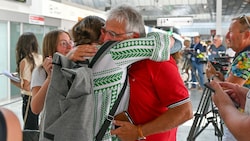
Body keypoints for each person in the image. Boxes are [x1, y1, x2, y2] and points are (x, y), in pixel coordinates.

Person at [98, 5, 193, 141]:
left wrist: (139, 131)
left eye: (113, 34)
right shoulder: (115, 61)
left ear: (134, 37)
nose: (105, 39)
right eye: (104, 32)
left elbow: (185, 111)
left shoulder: (157, 62)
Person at [206, 15, 250, 141]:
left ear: (246, 35)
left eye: (230, 31)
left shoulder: (245, 57)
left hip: (240, 123)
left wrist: (213, 76)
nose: (226, 36)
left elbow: (225, 92)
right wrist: (222, 77)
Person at [30, 29, 73, 115]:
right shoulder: (41, 71)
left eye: (70, 42)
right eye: (63, 43)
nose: (69, 47)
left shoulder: (75, 69)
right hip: (51, 125)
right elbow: (36, 108)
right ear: (52, 48)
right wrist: (50, 77)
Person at [10, 32, 42, 130]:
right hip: (39, 96)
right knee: (35, 127)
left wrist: (12, 81)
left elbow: (27, 86)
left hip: (29, 99)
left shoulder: (25, 61)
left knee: (29, 129)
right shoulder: (40, 57)